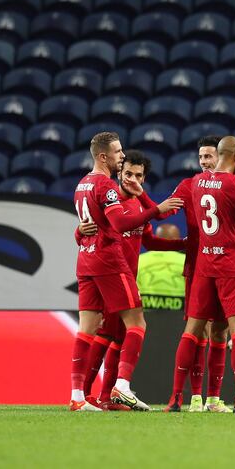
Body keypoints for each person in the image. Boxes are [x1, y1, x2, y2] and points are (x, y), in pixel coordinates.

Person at [165, 136, 235, 414]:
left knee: (192, 330)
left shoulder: (196, 183)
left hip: (204, 265)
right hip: (231, 264)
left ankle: (176, 398)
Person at [71, 132, 182, 411]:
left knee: (112, 334)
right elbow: (114, 224)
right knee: (112, 331)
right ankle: (107, 390)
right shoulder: (110, 192)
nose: (131, 177)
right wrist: (78, 231)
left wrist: (184, 244)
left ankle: (95, 397)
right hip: (110, 269)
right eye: (127, 169)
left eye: (138, 175)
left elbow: (149, 240)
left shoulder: (93, 187)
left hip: (108, 270)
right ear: (106, 158)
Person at [162, 136, 232, 412]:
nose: (204, 162)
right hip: (198, 267)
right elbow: (162, 212)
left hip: (224, 267)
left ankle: (213, 400)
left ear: (221, 157)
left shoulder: (231, 184)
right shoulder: (189, 184)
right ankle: (193, 398)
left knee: (220, 331)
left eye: (209, 156)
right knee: (197, 329)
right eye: (201, 157)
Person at [136, 223, 188, 311]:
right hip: (179, 314)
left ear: (156, 238)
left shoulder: (139, 260)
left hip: (145, 312)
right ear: (178, 240)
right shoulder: (186, 261)